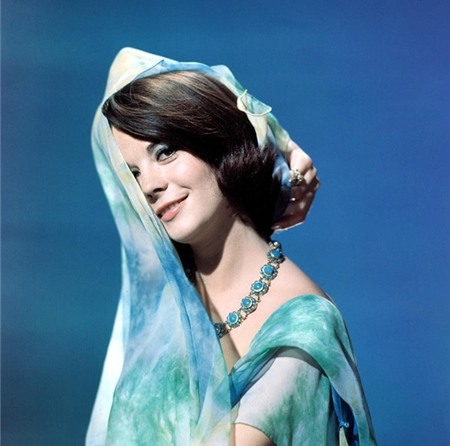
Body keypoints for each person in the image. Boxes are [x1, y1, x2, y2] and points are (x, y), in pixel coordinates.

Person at [87, 48, 376, 446]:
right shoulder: (166, 297)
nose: (149, 185)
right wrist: (278, 139)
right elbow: (123, 62)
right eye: (133, 173)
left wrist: (268, 132)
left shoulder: (305, 327)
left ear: (216, 140)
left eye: (165, 152)